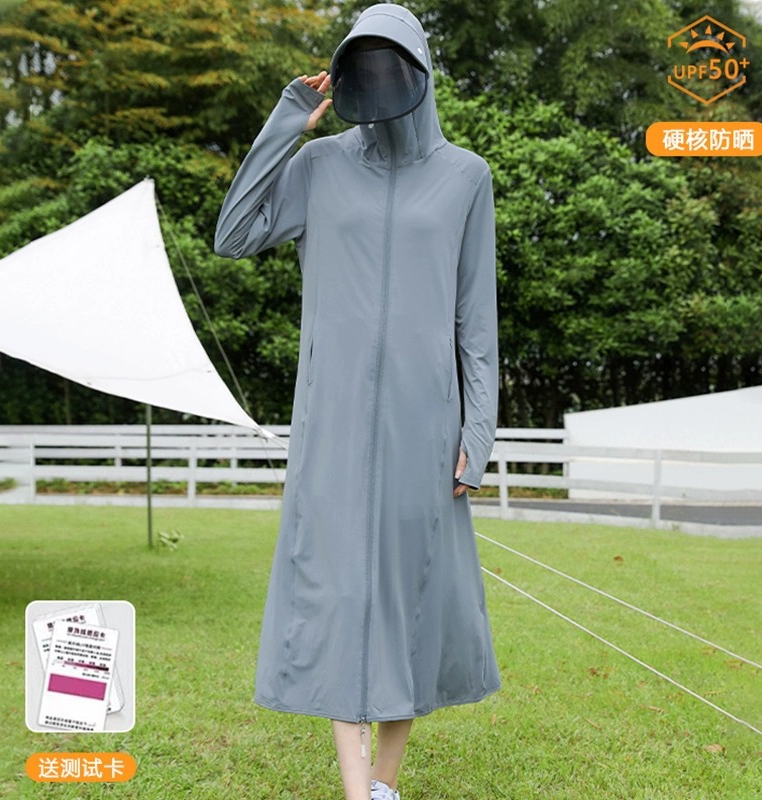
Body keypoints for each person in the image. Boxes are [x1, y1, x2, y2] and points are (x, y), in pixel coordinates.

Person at [214, 5, 500, 799]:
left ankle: (383, 784)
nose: (378, 78)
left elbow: (476, 323)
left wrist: (477, 434)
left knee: (412, 600)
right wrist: (287, 122)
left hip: (425, 429)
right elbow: (233, 234)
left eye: (391, 63)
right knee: (340, 598)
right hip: (331, 426)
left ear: (419, 71)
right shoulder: (319, 167)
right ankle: (356, 791)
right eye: (363, 63)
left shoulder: (466, 177)